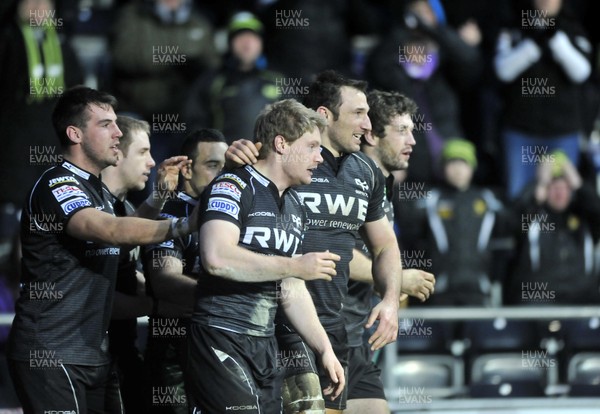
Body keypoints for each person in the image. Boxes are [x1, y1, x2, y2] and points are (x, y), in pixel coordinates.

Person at [7, 86, 198, 413]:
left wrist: (160, 198)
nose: (117, 132)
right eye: (106, 124)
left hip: (92, 353)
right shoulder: (58, 184)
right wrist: (187, 224)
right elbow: (109, 230)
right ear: (75, 134)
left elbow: (124, 233)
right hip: (53, 352)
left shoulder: (100, 192)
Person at [226, 70, 403, 413]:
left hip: (338, 325)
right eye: (358, 113)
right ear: (324, 115)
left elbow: (385, 245)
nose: (368, 124)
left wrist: (391, 300)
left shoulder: (366, 172)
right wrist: (233, 158)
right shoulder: (288, 160)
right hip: (281, 321)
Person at [186, 99, 345, 413]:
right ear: (282, 144)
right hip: (221, 336)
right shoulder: (231, 185)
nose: (319, 156)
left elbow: (290, 287)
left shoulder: (296, 206)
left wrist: (324, 348)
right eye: (312, 146)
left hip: (264, 343)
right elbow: (216, 257)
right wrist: (296, 265)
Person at [343, 90, 436, 413]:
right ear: (371, 134)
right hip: (327, 329)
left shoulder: (381, 184)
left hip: (356, 332)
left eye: (412, 130)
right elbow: (332, 248)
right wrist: (396, 278)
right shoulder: (349, 178)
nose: (412, 141)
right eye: (401, 131)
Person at [102, 115, 190, 414]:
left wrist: (160, 195)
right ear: (115, 153)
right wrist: (159, 306)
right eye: (142, 152)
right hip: (86, 356)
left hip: (121, 354)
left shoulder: (124, 208)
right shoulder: (88, 206)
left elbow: (125, 267)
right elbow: (96, 295)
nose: (152, 162)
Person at [143, 128, 228, 413]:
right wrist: (230, 299)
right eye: (213, 165)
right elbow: (165, 281)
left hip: (222, 349)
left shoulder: (233, 214)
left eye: (226, 167)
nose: (222, 175)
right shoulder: (170, 215)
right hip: (175, 356)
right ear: (188, 170)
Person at [494, 0, 592, 198]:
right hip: (521, 130)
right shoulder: (515, 26)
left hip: (562, 132)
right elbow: (503, 71)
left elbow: (581, 72)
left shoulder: (573, 27)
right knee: (520, 196)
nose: (546, 1)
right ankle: (524, 231)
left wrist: (555, 40)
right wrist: (534, 44)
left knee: (562, 199)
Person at [399, 138, 505, 306]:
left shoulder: (487, 200)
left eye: (463, 163)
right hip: (439, 290)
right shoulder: (430, 199)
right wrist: (396, 184)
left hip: (479, 289)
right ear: (443, 168)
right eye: (452, 163)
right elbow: (406, 228)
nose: (458, 169)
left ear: (472, 167)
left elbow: (515, 227)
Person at [505, 150, 600, 305]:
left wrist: (577, 183)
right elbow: (511, 222)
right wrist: (540, 184)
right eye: (553, 187)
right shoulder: (533, 216)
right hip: (541, 297)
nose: (560, 193)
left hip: (581, 296)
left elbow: (596, 209)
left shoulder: (584, 218)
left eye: (565, 188)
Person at [183, 11, 281, 143]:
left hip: (270, 160)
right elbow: (193, 125)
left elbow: (295, 125)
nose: (247, 43)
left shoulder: (278, 80)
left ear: (261, 43)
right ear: (229, 43)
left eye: (252, 37)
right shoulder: (211, 82)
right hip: (226, 161)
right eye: (240, 37)